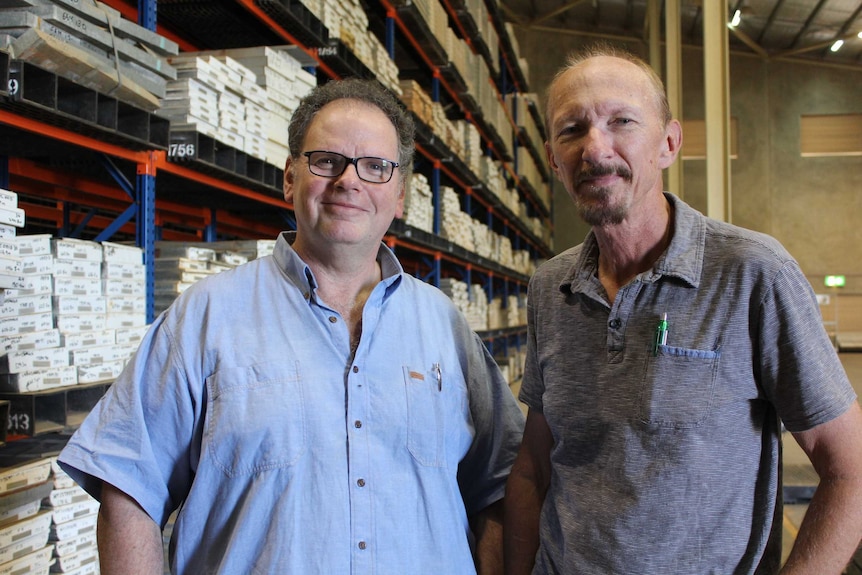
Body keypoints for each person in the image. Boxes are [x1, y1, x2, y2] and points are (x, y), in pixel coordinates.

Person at [58, 78, 525, 575]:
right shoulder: (205, 317)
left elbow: (501, 486)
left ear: (401, 197)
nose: (349, 181)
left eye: (375, 167)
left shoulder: (445, 328)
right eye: (327, 161)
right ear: (289, 178)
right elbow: (128, 489)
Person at [503, 43, 862, 575]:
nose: (594, 148)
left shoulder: (752, 272)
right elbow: (533, 466)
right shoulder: (550, 287)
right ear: (554, 158)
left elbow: (849, 468)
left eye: (621, 121)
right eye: (571, 129)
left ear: (668, 143)